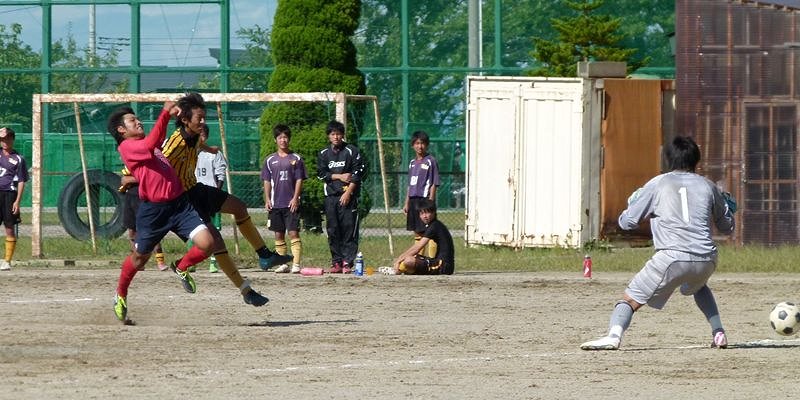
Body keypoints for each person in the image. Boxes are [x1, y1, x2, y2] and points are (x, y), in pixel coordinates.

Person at [108, 101, 269, 324]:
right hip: (154, 211)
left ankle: (181, 266)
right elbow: (151, 143)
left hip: (179, 205)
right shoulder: (127, 147)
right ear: (121, 130)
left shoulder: (149, 144)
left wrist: (191, 131)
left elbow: (164, 142)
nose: (138, 121)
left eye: (137, 118)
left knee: (208, 243)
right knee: (139, 259)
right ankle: (120, 294)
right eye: (132, 120)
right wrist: (165, 112)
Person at [580, 136, 736, 351]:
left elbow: (627, 222)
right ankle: (719, 332)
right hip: (707, 258)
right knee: (699, 286)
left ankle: (613, 336)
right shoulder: (708, 186)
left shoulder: (658, 183)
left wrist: (634, 204)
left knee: (630, 299)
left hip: (672, 257)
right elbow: (727, 227)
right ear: (696, 160)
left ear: (668, 159)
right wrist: (729, 210)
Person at [160, 92, 291, 289]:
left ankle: (264, 255)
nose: (203, 122)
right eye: (199, 118)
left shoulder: (194, 136)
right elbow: (159, 162)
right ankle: (239, 287)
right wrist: (132, 177)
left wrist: (209, 149)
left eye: (204, 117)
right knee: (216, 241)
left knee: (239, 207)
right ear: (185, 120)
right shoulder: (175, 142)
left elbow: (198, 144)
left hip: (196, 188)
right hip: (184, 199)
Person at [316, 120, 367, 273]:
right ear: (329, 136)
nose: (336, 137)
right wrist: (339, 176)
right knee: (333, 230)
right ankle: (336, 262)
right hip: (331, 197)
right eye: (333, 134)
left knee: (348, 229)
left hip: (348, 197)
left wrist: (348, 192)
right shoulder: (324, 153)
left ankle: (347, 262)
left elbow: (358, 173)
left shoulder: (351, 151)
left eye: (338, 134)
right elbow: (321, 174)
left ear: (343, 135)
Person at [261, 124, 307, 274]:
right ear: (275, 140)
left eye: (285, 137)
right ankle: (283, 263)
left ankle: (296, 264)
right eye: (280, 137)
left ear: (289, 139)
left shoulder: (296, 159)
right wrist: (267, 199)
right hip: (276, 204)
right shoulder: (269, 160)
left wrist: (295, 198)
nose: (283, 140)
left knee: (293, 232)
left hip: (291, 203)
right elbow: (267, 181)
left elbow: (299, 179)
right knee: (278, 234)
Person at [194, 124, 227, 273]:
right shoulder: (188, 152)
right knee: (196, 230)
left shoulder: (214, 154)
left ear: (206, 137)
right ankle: (192, 262)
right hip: (194, 196)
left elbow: (221, 174)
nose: (199, 138)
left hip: (210, 195)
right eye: (197, 134)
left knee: (214, 229)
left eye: (202, 135)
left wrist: (216, 193)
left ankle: (214, 262)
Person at [119, 167, 168, 271]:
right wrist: (132, 179)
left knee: (150, 229)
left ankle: (160, 261)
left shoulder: (149, 164)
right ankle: (136, 262)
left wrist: (132, 179)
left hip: (145, 197)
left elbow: (151, 177)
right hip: (130, 196)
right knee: (132, 231)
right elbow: (124, 180)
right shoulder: (130, 164)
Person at [402, 130, 440, 257]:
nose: (420, 146)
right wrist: (406, 203)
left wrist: (430, 202)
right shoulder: (412, 163)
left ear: (427, 145)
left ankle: (433, 261)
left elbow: (434, 183)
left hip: (424, 200)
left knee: (430, 232)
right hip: (413, 201)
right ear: (413, 145)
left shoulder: (431, 161)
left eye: (422, 143)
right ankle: (419, 260)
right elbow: (410, 185)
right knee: (418, 232)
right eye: (417, 143)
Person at [392, 199, 454, 275]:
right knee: (408, 258)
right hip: (438, 262)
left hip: (444, 266)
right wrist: (400, 259)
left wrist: (398, 261)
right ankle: (401, 270)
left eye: (427, 212)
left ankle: (398, 270)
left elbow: (417, 248)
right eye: (422, 213)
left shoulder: (435, 226)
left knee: (409, 260)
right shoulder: (432, 225)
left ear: (434, 213)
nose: (424, 216)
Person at [0, 127, 27, 271]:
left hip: (9, 194)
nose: (5, 142)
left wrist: (17, 201)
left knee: (9, 227)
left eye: (7, 139)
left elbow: (22, 180)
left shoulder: (18, 159)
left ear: (12, 139)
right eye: (2, 139)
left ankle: (7, 261)